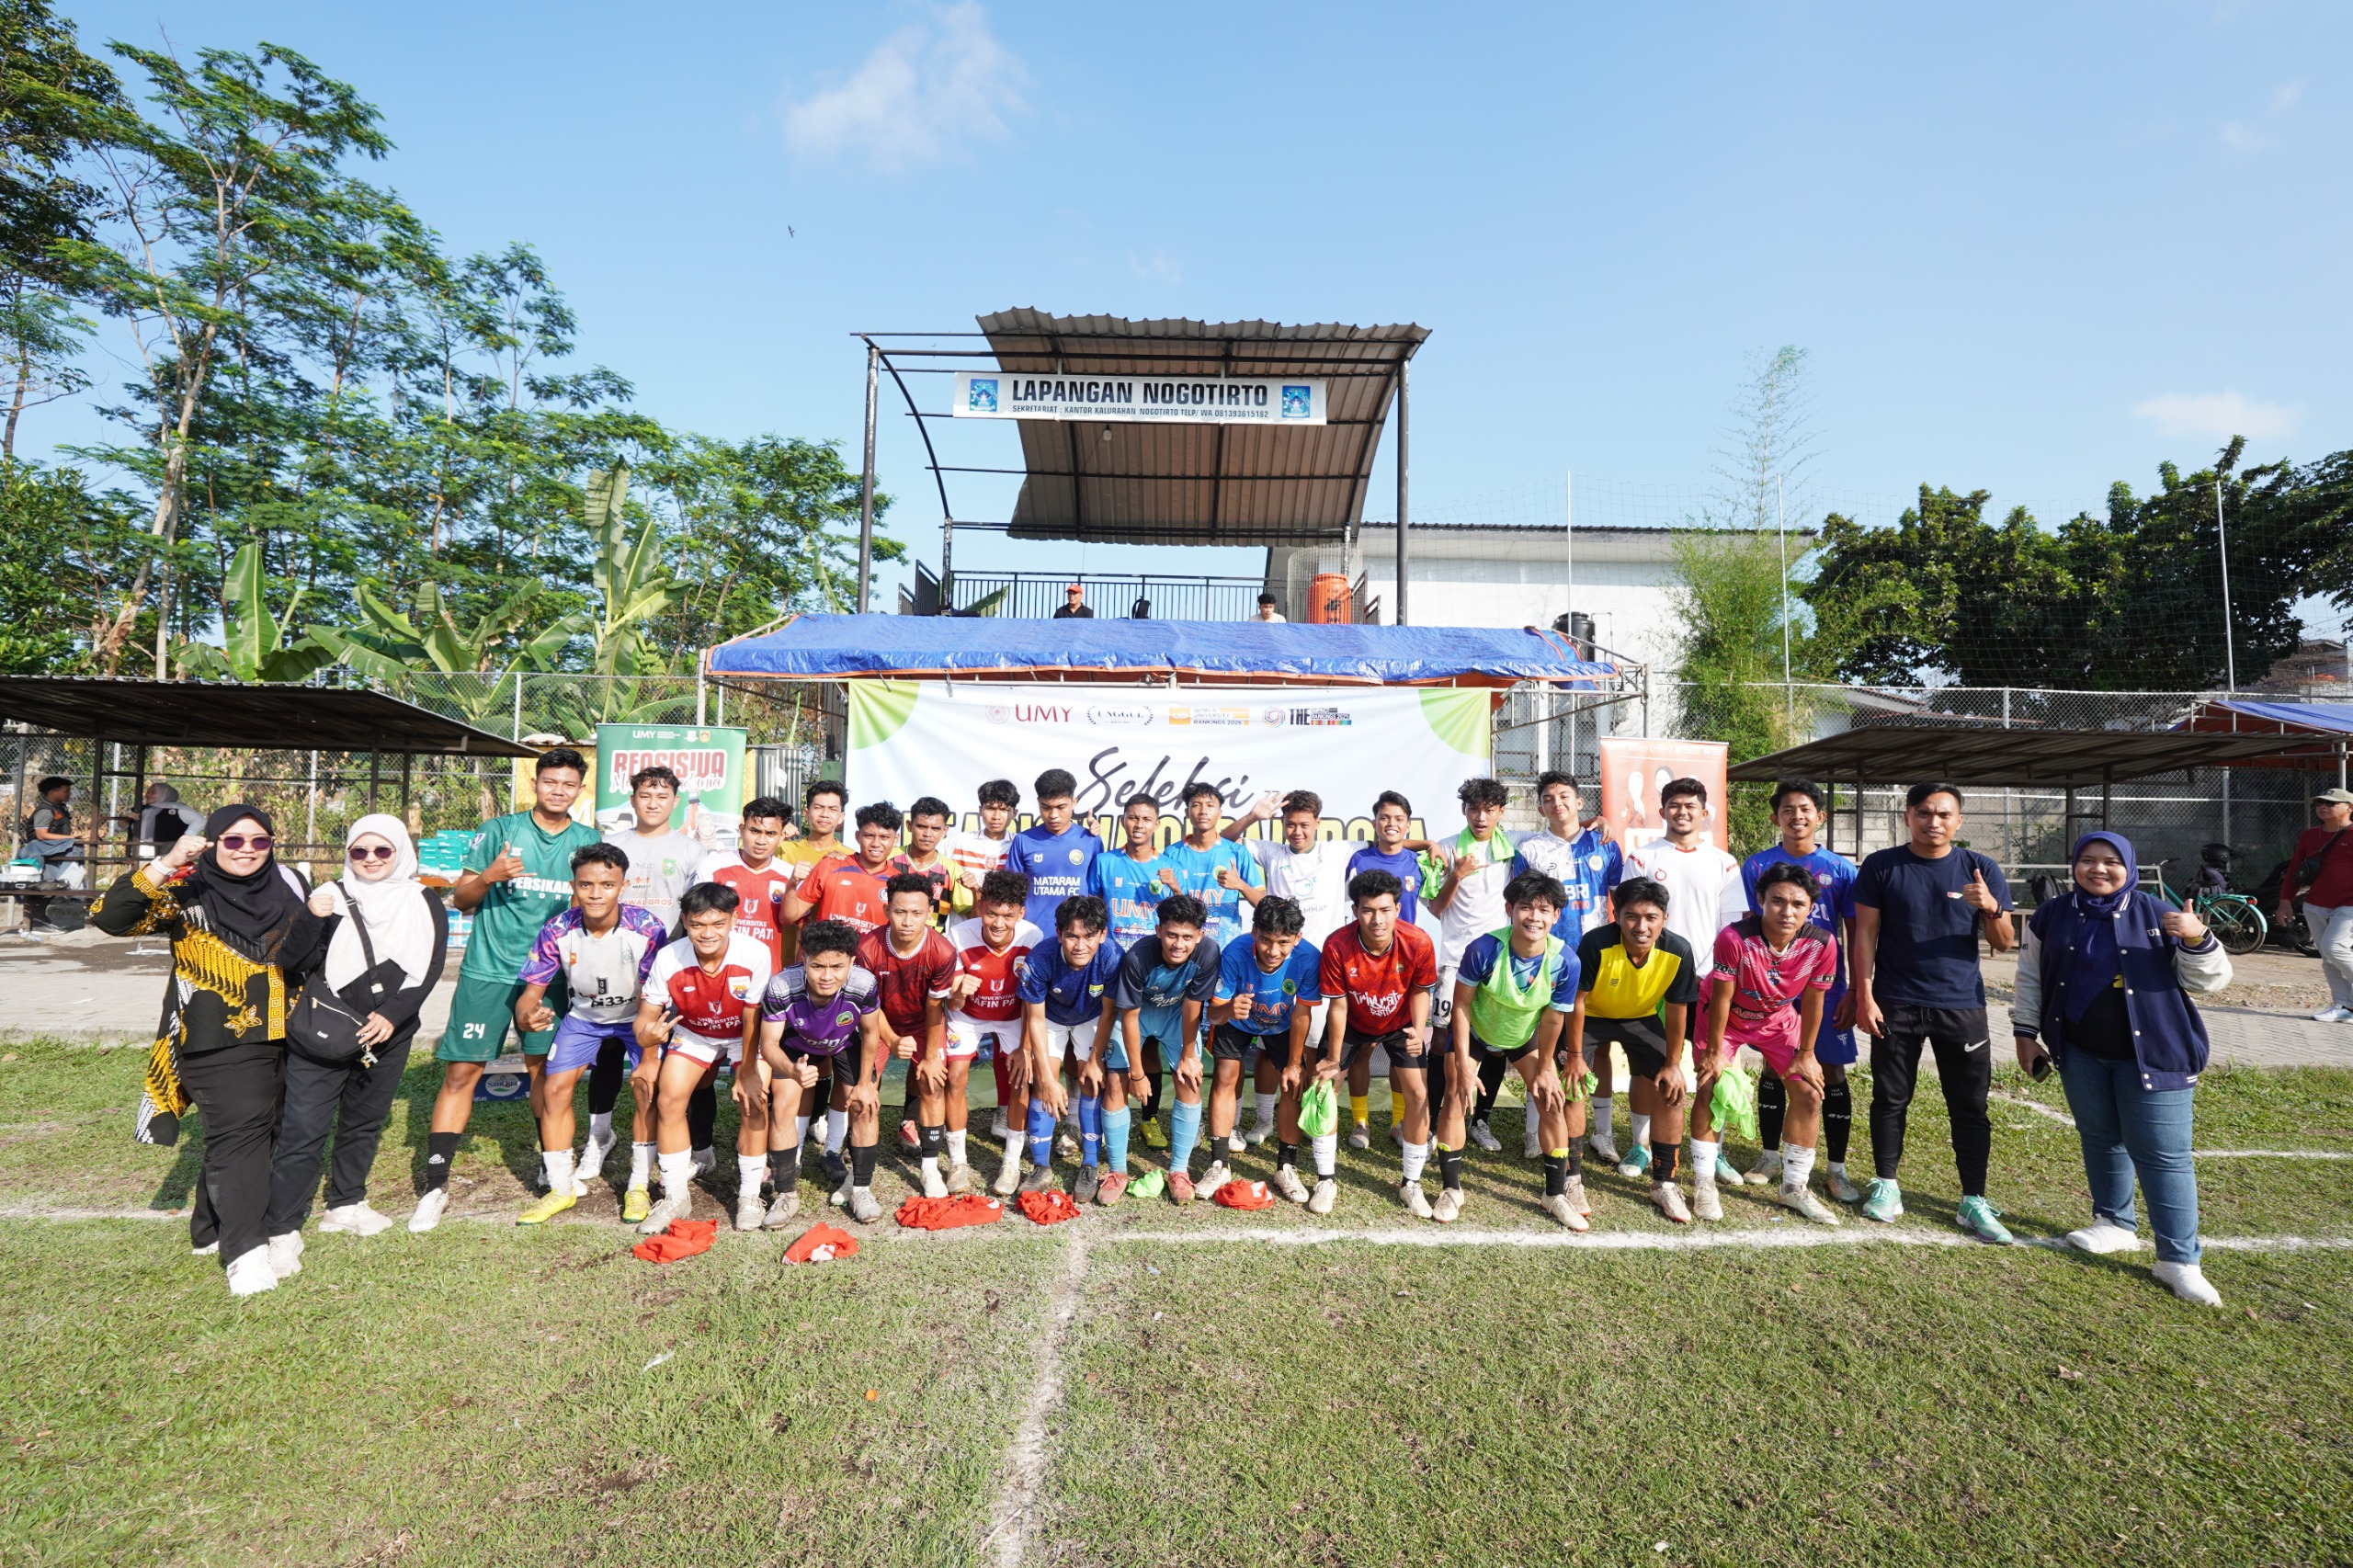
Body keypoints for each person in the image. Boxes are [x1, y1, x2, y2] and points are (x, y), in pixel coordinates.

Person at [94, 805, 327, 1296]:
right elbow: (111, 918)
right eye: (234, 840)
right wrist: (165, 862)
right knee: (241, 1134)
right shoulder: (187, 888)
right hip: (216, 1034)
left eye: (259, 841)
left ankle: (208, 1228)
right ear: (213, 842)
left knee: (258, 1133)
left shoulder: (288, 887)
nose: (247, 850)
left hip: (290, 1032)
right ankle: (244, 1252)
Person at [2015, 832, 2232, 1306]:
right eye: (2087, 860)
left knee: (2163, 1154)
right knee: (2100, 1137)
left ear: (2129, 866)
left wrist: (2197, 938)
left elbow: (2211, 982)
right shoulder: (2053, 914)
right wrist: (2025, 1033)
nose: (2098, 869)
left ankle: (2179, 1260)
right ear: (2073, 865)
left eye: (2110, 862)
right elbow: (2030, 977)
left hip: (2156, 1054)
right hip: (2080, 1052)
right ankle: (2113, 1222)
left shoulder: (2157, 913)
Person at [415, 747, 599, 1233]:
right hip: (489, 972)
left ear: (579, 790)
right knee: (461, 1073)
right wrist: (491, 876)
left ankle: (551, 1163)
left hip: (553, 979)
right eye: (549, 781)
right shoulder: (500, 832)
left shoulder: (587, 840)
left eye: (568, 784)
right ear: (535, 784)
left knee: (547, 1073)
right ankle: (435, 1184)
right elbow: (462, 899)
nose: (558, 790)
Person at [264, 815, 449, 1265]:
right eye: (359, 851)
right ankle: (282, 1228)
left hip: (390, 1031)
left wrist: (391, 1015)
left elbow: (429, 967)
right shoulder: (328, 896)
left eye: (382, 851)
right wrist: (312, 918)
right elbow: (292, 960)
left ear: (400, 852)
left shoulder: (422, 899)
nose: (370, 860)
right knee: (304, 1128)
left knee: (365, 1121)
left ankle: (345, 1203)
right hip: (324, 1029)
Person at [1850, 781, 2016, 1242]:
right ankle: (1886, 1186)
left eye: (1944, 814)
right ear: (1908, 816)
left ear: (1959, 821)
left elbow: (2005, 943)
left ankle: (1973, 1200)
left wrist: (1991, 907)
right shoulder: (1883, 866)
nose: (1934, 822)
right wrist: (1864, 994)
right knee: (1889, 1098)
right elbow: (1864, 935)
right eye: (1924, 813)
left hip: (1960, 1006)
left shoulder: (1979, 868)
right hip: (1896, 1001)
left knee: (1969, 1105)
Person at [509, 843, 671, 1224]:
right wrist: (527, 1016)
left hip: (638, 1018)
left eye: (606, 884)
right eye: (586, 885)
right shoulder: (557, 929)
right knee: (553, 1089)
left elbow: (658, 995)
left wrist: (649, 1044)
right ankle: (561, 1188)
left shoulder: (647, 928)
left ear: (623, 886)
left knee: (646, 1087)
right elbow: (528, 997)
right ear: (574, 886)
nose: (596, 893)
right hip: (583, 1019)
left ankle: (637, 1185)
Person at [584, 765, 710, 1195]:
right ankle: (600, 1135)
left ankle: (662, 1144)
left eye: (662, 797)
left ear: (675, 802)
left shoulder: (692, 852)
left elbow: (698, 911)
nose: (653, 803)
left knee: (661, 1061)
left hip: (665, 974)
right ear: (632, 799)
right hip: (610, 970)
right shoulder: (609, 846)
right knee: (606, 1055)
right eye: (644, 795)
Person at [1613, 777, 1745, 1182]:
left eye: (1691, 806)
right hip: (1653, 980)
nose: (1682, 812)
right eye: (1674, 805)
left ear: (1705, 813)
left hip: (1708, 982)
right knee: (1646, 1067)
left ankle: (1713, 1151)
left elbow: (1732, 928)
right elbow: (1628, 919)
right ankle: (1641, 1144)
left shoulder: (1723, 862)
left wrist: (1722, 977)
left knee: (1714, 1067)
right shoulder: (1642, 859)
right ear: (1662, 811)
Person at [1695, 863, 1841, 1224]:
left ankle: (1794, 1187)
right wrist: (1715, 1053)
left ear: (1810, 908)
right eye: (1777, 901)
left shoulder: (1822, 943)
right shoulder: (1734, 938)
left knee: (1808, 1091)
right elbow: (1722, 998)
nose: (1786, 911)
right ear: (1761, 900)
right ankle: (1704, 1183)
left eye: (1797, 903)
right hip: (1723, 1019)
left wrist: (1806, 1055)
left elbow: (1813, 1000)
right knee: (1711, 1086)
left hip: (1777, 1021)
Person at [1736, 780, 1861, 1201]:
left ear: (1820, 816)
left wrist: (1859, 989)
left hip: (1826, 985)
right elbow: (1747, 927)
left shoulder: (1841, 869)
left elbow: (1857, 931)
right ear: (1776, 818)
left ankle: (1837, 1169)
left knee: (1831, 1069)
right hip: (1771, 983)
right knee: (1774, 1067)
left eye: (1805, 809)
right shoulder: (1756, 866)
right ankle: (1770, 1157)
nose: (1797, 816)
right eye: (1788, 810)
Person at [1441, 872, 1582, 1227]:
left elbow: (1552, 1021)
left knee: (1551, 1101)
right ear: (1509, 909)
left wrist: (1547, 1068)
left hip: (1522, 1037)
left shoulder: (1566, 962)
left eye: (1543, 909)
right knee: (1456, 1096)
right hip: (1473, 1032)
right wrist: (1462, 1063)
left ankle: (1554, 1195)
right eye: (1525, 907)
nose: (1534, 916)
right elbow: (1460, 1007)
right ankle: (1451, 1190)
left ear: (1555, 916)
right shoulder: (1484, 948)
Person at [634, 882, 776, 1233]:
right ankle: (676, 1195)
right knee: (668, 1099)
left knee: (754, 1101)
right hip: (694, 1033)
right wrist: (647, 1044)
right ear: (685, 921)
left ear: (733, 920)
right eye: (697, 925)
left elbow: (752, 1017)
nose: (707, 933)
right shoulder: (669, 957)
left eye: (717, 924)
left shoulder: (755, 953)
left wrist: (747, 1072)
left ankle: (748, 1194)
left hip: (743, 1036)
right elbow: (645, 1017)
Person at [1563, 877, 1700, 1222]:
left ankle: (1664, 1184)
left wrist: (1673, 1063)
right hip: (1592, 1016)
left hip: (1640, 1017)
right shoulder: (1596, 943)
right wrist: (1576, 1058)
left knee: (1672, 1089)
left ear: (1664, 918)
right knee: (1572, 1084)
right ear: (1617, 915)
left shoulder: (1679, 950)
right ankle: (1571, 1178)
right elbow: (1576, 1003)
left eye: (1651, 917)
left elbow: (1677, 1008)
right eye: (1631, 917)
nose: (1641, 926)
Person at [1510, 771, 1622, 1157]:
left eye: (1563, 796)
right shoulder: (1531, 850)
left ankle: (1603, 1132)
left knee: (1598, 1047)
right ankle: (1533, 1130)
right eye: (1547, 798)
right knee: (1545, 1045)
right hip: (1550, 957)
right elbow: (1523, 904)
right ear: (1541, 807)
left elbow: (1619, 899)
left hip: (1596, 959)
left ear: (1579, 802)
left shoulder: (1604, 842)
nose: (1556, 803)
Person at [1318, 869, 1438, 1216]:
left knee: (1418, 1093)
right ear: (1355, 910)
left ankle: (1411, 1184)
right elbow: (1338, 1005)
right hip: (1353, 1023)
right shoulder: (1337, 944)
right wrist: (1333, 1058)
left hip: (1401, 1023)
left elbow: (1419, 990)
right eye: (1368, 910)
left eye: (1385, 910)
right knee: (1325, 1086)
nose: (1377, 919)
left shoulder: (1418, 942)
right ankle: (1326, 1179)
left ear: (1397, 909)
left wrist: (1418, 1029)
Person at [750, 919, 884, 1226]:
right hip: (795, 1046)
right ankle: (786, 1195)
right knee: (783, 1105)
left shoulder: (864, 982)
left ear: (851, 961)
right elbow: (768, 1043)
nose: (826, 976)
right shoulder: (782, 985)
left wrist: (865, 1083)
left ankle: (861, 1190)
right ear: (804, 960)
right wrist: (791, 1070)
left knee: (865, 1104)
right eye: (817, 966)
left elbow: (870, 1032)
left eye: (837, 966)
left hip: (845, 1041)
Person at [1198, 895, 1323, 1205]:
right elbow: (1212, 1015)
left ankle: (1285, 1166)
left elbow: (1301, 1013)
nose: (1273, 951)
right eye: (1266, 940)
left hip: (1282, 1025)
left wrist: (1294, 1063)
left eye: (1283, 942)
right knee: (1226, 1076)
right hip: (1237, 1023)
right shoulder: (1235, 952)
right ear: (1254, 932)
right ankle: (1219, 1164)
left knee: (1294, 1083)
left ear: (1297, 938)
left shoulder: (1308, 957)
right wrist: (1228, 1009)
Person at [1341, 790, 1446, 1145]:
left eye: (1399, 819)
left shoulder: (1417, 862)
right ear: (1375, 822)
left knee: (1407, 1046)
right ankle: (1360, 1121)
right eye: (1385, 818)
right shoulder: (1358, 858)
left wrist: (1429, 843)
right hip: (1365, 963)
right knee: (1363, 1048)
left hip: (1403, 968)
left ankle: (1400, 1123)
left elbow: (1436, 901)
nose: (1391, 824)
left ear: (1407, 824)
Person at [1427, 777, 1519, 1153]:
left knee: (1493, 1045)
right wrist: (1456, 874)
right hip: (1453, 962)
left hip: (1497, 961)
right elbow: (1434, 907)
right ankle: (1434, 1122)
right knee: (1441, 1042)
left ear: (1500, 812)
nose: (1481, 817)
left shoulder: (1513, 848)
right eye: (1473, 809)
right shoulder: (1448, 849)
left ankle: (1481, 1120)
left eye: (1489, 810)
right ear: (1464, 810)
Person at [1016, 894, 1126, 1201]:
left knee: (1091, 1081)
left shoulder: (1112, 957)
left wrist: (1093, 1060)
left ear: (1103, 934)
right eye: (1072, 936)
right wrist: (1048, 1080)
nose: (1080, 945)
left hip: (1091, 1017)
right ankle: (1041, 1166)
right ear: (1059, 932)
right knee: (1041, 1085)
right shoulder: (1040, 958)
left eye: (1090, 936)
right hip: (1050, 1018)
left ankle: (1089, 1163)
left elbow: (1108, 1012)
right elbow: (1035, 1020)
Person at [1113, 893, 1221, 1201]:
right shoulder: (1138, 957)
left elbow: (1193, 1006)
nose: (1178, 944)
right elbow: (1129, 1016)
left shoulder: (1209, 952)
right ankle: (1118, 1172)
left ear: (1200, 936)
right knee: (1114, 1083)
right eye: (1172, 934)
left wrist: (1189, 1055)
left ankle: (1179, 1170)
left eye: (1188, 937)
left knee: (1189, 1080)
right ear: (1158, 930)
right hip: (1139, 1016)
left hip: (1177, 1015)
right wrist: (1136, 1074)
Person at [947, 870, 1048, 1197]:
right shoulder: (959, 934)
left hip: (1012, 1015)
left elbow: (1033, 1000)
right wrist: (960, 991)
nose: (999, 922)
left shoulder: (1033, 936)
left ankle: (1011, 1162)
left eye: (1008, 915)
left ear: (1021, 913)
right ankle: (958, 1161)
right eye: (991, 913)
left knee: (1020, 1079)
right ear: (981, 908)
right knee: (955, 1076)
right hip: (968, 1015)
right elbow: (949, 998)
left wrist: (1025, 1047)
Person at [857, 874, 958, 1192]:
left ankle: (929, 1169)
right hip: (878, 1020)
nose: (907, 921)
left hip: (922, 1021)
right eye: (900, 912)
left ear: (930, 912)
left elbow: (934, 1008)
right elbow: (868, 1010)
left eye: (916, 913)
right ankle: (856, 1169)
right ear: (887, 910)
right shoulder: (867, 947)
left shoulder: (942, 951)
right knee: (863, 1089)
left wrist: (929, 1058)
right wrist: (892, 1040)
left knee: (933, 1080)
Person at [1087, 795, 1173, 1146]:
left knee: (1148, 1048)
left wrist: (1176, 888)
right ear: (1123, 821)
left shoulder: (1168, 866)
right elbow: (1092, 911)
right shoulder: (1105, 862)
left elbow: (1183, 916)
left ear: (1156, 824)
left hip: (1155, 972)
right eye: (1132, 818)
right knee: (1108, 1047)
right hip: (1112, 968)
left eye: (1146, 819)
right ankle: (1105, 1123)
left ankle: (1149, 1120)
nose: (1139, 825)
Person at [1225, 789, 1357, 944]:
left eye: (1304, 825)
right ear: (1282, 822)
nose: (1297, 832)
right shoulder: (1272, 852)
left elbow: (1384, 846)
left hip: (1326, 953)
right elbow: (1223, 841)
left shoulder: (1337, 850)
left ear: (1317, 823)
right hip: (1284, 952)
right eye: (1291, 825)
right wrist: (1251, 817)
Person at [694, 795, 796, 971]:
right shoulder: (713, 865)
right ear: (741, 830)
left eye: (771, 833)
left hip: (766, 974)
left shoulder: (789, 876)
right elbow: (696, 919)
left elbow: (801, 930)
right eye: (754, 831)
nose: (761, 841)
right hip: (716, 971)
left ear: (781, 836)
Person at [1158, 780, 1261, 955]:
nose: (1203, 811)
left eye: (1210, 806)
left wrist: (1240, 885)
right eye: (1196, 805)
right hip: (1184, 948)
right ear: (1187, 812)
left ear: (1220, 813)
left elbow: (1262, 902)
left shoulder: (1237, 852)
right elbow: (1167, 908)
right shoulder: (1172, 853)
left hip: (1226, 949)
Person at [782, 801, 909, 936]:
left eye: (884, 837)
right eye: (869, 836)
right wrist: (791, 885)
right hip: (826, 956)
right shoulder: (831, 865)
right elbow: (788, 917)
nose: (876, 844)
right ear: (857, 836)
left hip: (870, 957)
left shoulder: (899, 883)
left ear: (895, 839)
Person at [2281, 787, 2353, 1023]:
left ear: (2349, 808)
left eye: (2331, 803)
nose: (2323, 806)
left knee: (2335, 949)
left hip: (2349, 905)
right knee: (2328, 958)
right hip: (2315, 904)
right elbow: (2294, 870)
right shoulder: (2310, 835)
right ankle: (2344, 1005)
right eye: (2320, 803)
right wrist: (2285, 902)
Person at [1009, 769, 1100, 936]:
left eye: (1061, 807)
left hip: (1076, 938)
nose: (1053, 815)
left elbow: (1097, 894)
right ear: (1038, 803)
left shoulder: (1091, 840)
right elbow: (1011, 894)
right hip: (1030, 936)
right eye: (1046, 807)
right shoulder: (1023, 841)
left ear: (1074, 802)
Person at [944, 778, 1019, 919]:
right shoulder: (959, 842)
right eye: (991, 809)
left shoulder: (1020, 844)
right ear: (980, 810)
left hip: (1003, 930)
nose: (996, 816)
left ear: (1014, 813)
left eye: (1004, 810)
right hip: (963, 932)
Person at [21, 775, 85, 927]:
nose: (69, 794)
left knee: (54, 887)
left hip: (55, 854)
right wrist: (71, 837)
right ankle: (37, 921)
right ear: (53, 792)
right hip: (45, 855)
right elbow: (41, 835)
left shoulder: (59, 809)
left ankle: (40, 920)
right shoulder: (46, 810)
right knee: (45, 887)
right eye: (66, 791)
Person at [900, 796, 959, 922]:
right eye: (921, 827)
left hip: (932, 940)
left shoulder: (952, 869)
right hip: (888, 939)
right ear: (909, 826)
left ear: (945, 831)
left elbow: (971, 914)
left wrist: (976, 892)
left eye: (935, 829)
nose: (927, 834)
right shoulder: (888, 859)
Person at [136, 783, 201, 856]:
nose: (148, 795)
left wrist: (186, 837)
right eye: (148, 792)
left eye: (153, 792)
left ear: (164, 794)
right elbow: (123, 827)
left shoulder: (177, 809)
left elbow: (200, 821)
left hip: (168, 852)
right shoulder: (141, 809)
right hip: (139, 849)